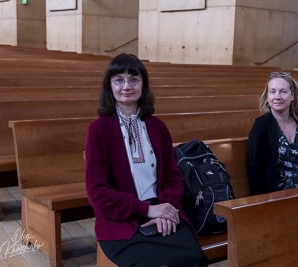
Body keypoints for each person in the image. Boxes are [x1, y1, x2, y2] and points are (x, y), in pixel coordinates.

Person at [85, 53, 207, 267]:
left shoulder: (157, 126)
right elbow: (98, 194)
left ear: (143, 84)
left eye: (133, 79)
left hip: (164, 212)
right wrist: (148, 210)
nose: (126, 86)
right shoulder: (98, 130)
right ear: (109, 86)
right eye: (118, 80)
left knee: (194, 260)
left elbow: (173, 178)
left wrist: (165, 210)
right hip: (121, 222)